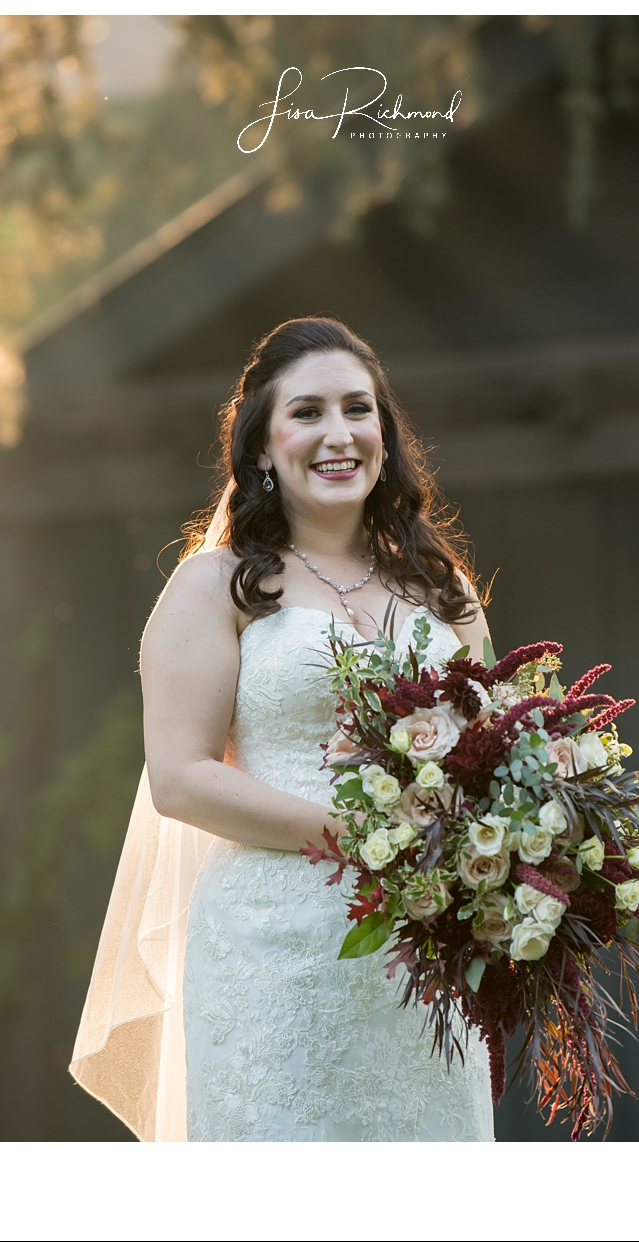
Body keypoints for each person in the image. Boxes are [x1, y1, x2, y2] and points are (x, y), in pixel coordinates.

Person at [70, 317, 497, 1140]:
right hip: (275, 960)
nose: (339, 434)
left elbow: (491, 752)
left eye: (358, 410)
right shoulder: (214, 587)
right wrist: (357, 835)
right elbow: (181, 777)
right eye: (307, 412)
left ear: (385, 433)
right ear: (262, 446)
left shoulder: (446, 591)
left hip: (424, 962)